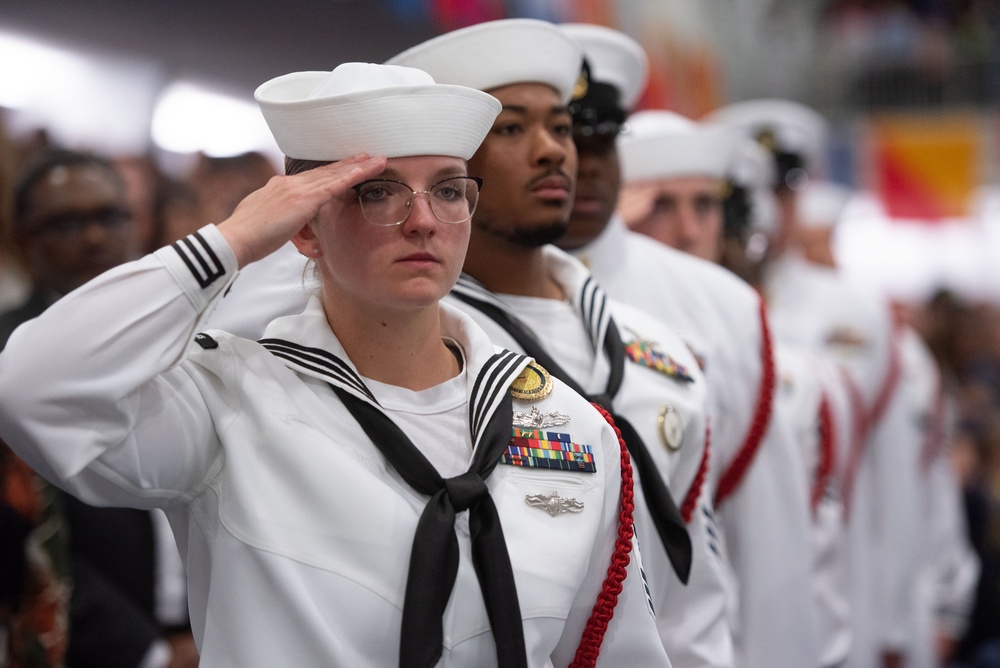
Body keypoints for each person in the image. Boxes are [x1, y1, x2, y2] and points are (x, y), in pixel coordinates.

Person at [0, 62, 671, 667]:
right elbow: (29, 390)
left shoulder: (567, 428)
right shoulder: (227, 403)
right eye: (378, 192)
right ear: (303, 225)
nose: (422, 221)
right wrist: (228, 242)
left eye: (447, 189)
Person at [387, 19, 732, 668]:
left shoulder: (659, 356)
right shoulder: (410, 349)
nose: (554, 151)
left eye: (562, 128)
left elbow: (695, 604)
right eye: (512, 128)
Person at [556, 27, 818, 667]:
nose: (575, 160)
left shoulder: (723, 307)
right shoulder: (447, 302)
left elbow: (768, 539)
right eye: (560, 135)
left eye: (599, 138)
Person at [709, 98, 921, 668]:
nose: (767, 210)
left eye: (782, 190)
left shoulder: (858, 311)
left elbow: (892, 479)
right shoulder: (699, 308)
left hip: (846, 581)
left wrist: (897, 621)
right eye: (746, 193)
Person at [0, 150, 198, 668]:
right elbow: (20, 542)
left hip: (204, 630)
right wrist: (147, 652)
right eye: (66, 223)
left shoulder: (183, 337)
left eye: (109, 217)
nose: (93, 238)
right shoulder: (8, 359)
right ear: (26, 237)